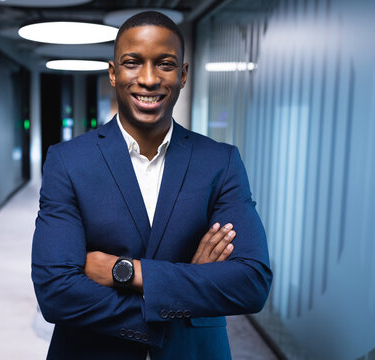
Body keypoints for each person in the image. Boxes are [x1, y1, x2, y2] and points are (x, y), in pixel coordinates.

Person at [32, 11, 272, 360]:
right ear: (113, 74)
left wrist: (124, 272)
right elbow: (56, 292)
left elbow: (250, 283)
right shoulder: (68, 161)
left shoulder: (220, 162)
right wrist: (190, 283)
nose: (148, 79)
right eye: (132, 63)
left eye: (164, 64)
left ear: (183, 74)